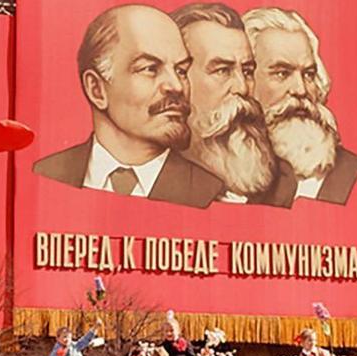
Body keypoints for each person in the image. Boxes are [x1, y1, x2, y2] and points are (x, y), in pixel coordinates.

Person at [32, 5, 225, 209]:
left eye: (181, 70)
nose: (176, 86)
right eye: (150, 69)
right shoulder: (47, 175)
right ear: (97, 89)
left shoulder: (212, 195)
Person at [170, 2, 295, 207]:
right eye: (222, 70)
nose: (243, 88)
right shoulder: (150, 181)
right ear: (178, 80)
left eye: (247, 71)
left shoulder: (283, 182)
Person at [243, 7, 357, 205]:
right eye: (282, 73)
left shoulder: (351, 174)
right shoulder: (211, 181)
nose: (300, 90)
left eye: (308, 75)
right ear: (245, 79)